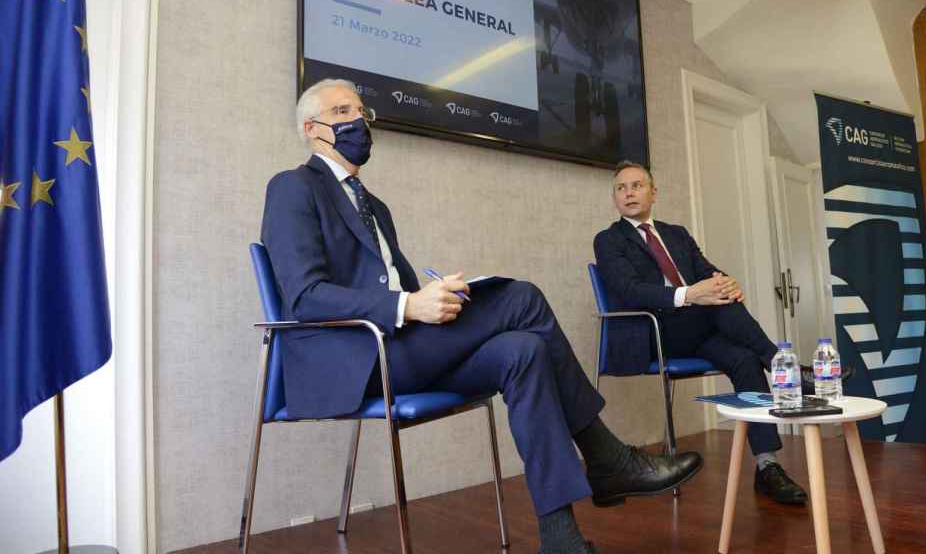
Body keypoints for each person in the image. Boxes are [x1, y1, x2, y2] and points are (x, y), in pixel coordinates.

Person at [260, 79, 703, 554]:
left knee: (524, 349)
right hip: (359, 358)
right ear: (312, 128)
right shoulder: (292, 187)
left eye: (362, 111)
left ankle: (561, 538)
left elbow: (395, 287)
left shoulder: (375, 207)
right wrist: (409, 305)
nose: (360, 120)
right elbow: (306, 296)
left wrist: (434, 297)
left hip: (403, 344)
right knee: (524, 298)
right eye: (344, 110)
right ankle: (605, 456)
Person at [592, 161, 808, 506]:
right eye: (621, 188)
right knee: (719, 304)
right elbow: (629, 291)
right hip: (654, 330)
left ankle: (768, 468)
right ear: (615, 198)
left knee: (743, 358)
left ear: (653, 192)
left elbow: (708, 271)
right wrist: (693, 294)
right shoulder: (608, 240)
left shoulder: (676, 233)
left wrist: (726, 281)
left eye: (637, 185)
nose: (629, 193)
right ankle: (788, 372)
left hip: (696, 326)